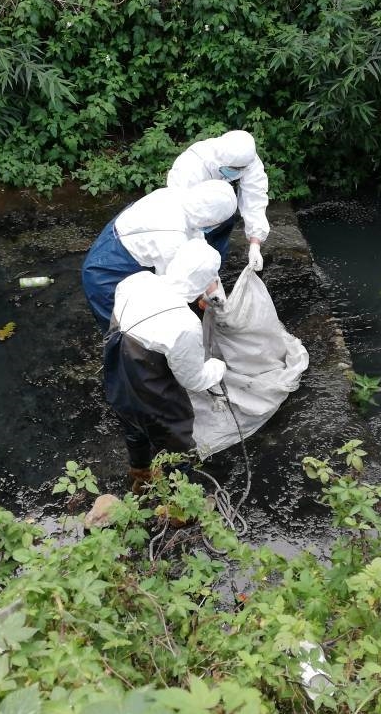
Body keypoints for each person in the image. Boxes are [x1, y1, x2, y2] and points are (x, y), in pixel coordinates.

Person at [102, 240, 228, 489]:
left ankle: (140, 476)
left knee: (132, 427)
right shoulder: (183, 324)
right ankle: (179, 505)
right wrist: (217, 366)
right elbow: (192, 380)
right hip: (152, 391)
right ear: (203, 283)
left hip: (117, 373)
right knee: (176, 443)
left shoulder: (136, 282)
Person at [81, 181, 236, 329]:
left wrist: (214, 292)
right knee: (127, 330)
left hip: (128, 235)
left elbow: (197, 244)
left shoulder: (184, 199)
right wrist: (203, 297)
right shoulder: (172, 238)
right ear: (210, 218)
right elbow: (173, 290)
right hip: (106, 272)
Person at [167, 129, 270, 271]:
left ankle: (216, 274)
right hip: (192, 217)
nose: (239, 171)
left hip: (220, 210)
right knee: (192, 263)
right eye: (234, 168)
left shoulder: (248, 159)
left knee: (216, 258)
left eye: (241, 169)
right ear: (222, 161)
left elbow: (255, 198)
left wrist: (255, 244)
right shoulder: (190, 167)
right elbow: (179, 213)